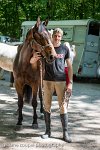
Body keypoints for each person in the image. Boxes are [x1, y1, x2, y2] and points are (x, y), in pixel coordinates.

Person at [30, 28, 73, 143]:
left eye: (59, 36)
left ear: (61, 37)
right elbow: (31, 62)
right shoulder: (46, 48)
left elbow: (69, 67)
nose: (57, 38)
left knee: (63, 106)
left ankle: (65, 133)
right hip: (47, 81)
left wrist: (70, 83)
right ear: (52, 36)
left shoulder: (65, 49)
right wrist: (33, 58)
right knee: (46, 106)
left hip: (61, 81)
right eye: (55, 36)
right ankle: (47, 132)